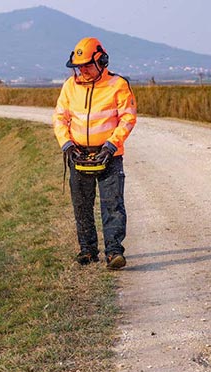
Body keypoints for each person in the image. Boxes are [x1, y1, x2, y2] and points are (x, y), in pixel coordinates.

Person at [53, 37, 137, 269]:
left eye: (87, 65)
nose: (82, 70)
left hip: (109, 155)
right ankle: (88, 250)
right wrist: (67, 144)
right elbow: (60, 118)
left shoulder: (118, 85)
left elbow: (128, 117)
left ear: (102, 61)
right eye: (79, 66)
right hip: (78, 154)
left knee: (112, 204)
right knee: (81, 204)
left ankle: (114, 253)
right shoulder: (70, 86)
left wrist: (111, 145)